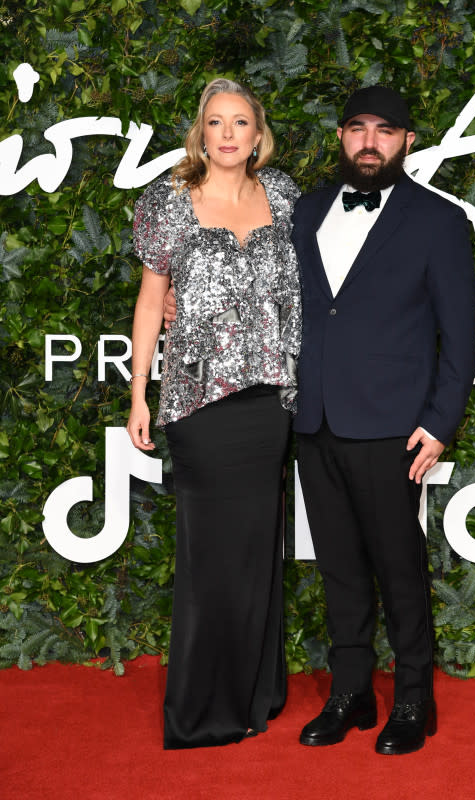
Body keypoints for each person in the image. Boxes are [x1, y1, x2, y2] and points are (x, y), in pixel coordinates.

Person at [291, 85, 475, 755]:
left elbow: (459, 336)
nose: (371, 141)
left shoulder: (438, 221)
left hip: (395, 426)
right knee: (338, 566)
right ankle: (351, 693)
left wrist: (439, 420)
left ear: (407, 141)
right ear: (341, 136)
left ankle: (414, 699)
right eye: (358, 129)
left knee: (399, 567)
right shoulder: (304, 211)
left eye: (386, 131)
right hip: (313, 419)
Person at [127, 78, 301, 749]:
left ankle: (258, 690)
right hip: (197, 401)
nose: (227, 134)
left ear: (258, 135)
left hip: (271, 401)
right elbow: (150, 302)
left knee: (258, 550)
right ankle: (202, 707)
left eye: (240, 123)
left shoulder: (282, 196)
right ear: (201, 133)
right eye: (215, 123)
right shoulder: (168, 204)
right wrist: (139, 391)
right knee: (210, 556)